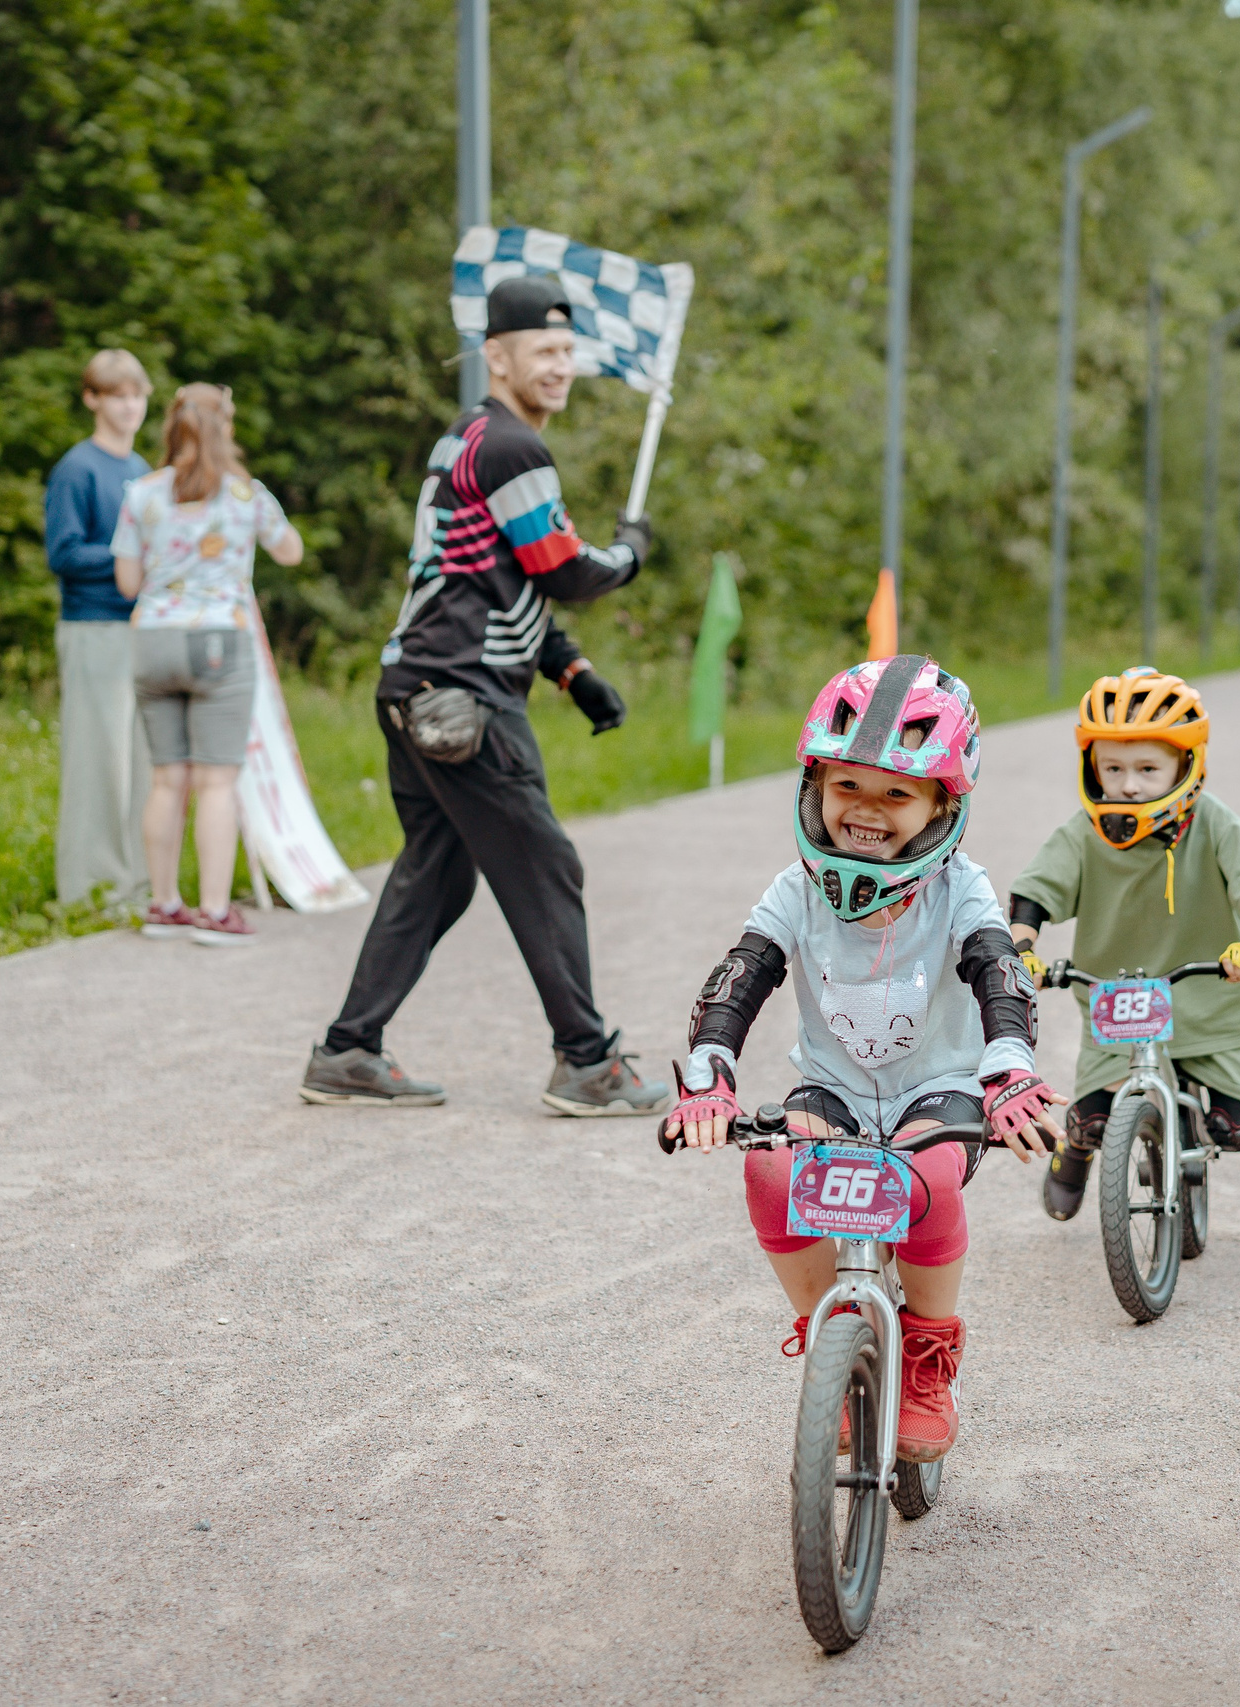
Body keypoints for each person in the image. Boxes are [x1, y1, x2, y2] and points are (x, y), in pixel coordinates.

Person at [663, 655, 1063, 1463]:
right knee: (772, 1173)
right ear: (815, 785)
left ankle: (926, 1356)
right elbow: (743, 975)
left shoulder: (963, 889)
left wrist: (1009, 1064)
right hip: (835, 1089)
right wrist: (710, 1068)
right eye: (848, 786)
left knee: (931, 1181)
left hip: (939, 1088)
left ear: (943, 804)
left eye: (897, 794)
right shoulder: (796, 888)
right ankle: (827, 1334)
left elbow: (999, 973)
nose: (866, 812)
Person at [302, 273, 662, 1114]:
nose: (560, 366)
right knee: (546, 868)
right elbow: (566, 568)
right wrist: (633, 551)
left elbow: (489, 580)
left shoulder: (466, 439)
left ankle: (348, 1049)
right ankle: (588, 1060)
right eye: (543, 350)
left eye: (569, 351)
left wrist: (571, 673)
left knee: (437, 873)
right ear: (495, 356)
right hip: (461, 703)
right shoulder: (512, 449)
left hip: (414, 690)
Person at [1004, 667, 1240, 1221]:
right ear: (1091, 765)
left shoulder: (1213, 824)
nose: (1129, 785)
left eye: (1147, 768)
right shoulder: (1084, 833)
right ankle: (1075, 1153)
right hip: (1115, 1000)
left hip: (1206, 996)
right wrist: (1022, 950)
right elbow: (1035, 892)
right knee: (1092, 1116)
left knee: (1235, 1121)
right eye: (1113, 768)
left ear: (1185, 766)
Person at [111, 382, 305, 947]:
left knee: (167, 779)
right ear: (225, 429)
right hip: (218, 639)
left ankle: (163, 905)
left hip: (152, 639)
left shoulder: (142, 493)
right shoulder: (245, 496)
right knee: (216, 782)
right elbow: (289, 551)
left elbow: (127, 582)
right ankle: (215, 913)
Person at [43, 350, 155, 909]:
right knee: (98, 766)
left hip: (140, 629)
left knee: (139, 766)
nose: (129, 406)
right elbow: (62, 554)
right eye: (117, 395)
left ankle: (135, 885)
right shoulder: (77, 468)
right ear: (92, 399)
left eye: (136, 395)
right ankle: (89, 893)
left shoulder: (139, 471)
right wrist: (129, 558)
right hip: (92, 629)